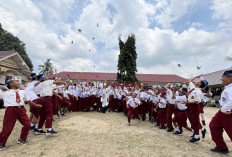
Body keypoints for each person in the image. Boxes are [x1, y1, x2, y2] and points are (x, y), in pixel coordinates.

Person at [0, 76, 41, 151]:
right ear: (10, 83)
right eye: (16, 81)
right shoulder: (4, 93)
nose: (19, 82)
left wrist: (35, 105)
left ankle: (22, 139)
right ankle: (1, 143)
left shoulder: (22, 92)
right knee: (8, 128)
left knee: (27, 125)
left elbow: (28, 100)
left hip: (21, 109)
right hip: (11, 110)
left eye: (18, 81)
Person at [209, 70, 232, 154]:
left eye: (223, 77)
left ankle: (222, 147)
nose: (221, 79)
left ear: (229, 78)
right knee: (213, 126)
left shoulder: (230, 89)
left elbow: (231, 101)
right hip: (223, 111)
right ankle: (221, 147)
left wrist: (223, 109)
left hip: (227, 112)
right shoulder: (228, 87)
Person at [187, 75, 208, 143]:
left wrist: (186, 102)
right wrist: (197, 76)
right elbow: (190, 80)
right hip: (190, 105)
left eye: (198, 81)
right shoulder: (194, 88)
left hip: (194, 106)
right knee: (193, 121)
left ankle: (197, 136)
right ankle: (201, 130)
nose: (196, 81)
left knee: (195, 122)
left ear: (200, 84)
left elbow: (197, 101)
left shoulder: (199, 92)